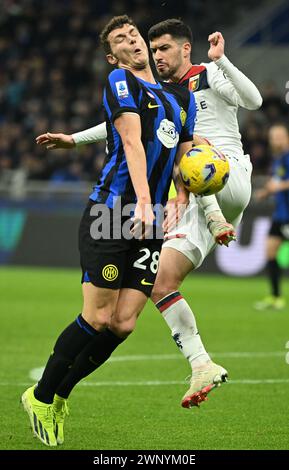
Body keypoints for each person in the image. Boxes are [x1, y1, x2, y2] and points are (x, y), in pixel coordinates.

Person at [37, 20, 263, 409]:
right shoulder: (153, 92)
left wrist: (222, 60)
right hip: (183, 195)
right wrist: (74, 139)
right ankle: (201, 363)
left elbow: (253, 101)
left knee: (192, 157)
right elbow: (126, 126)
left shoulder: (204, 76)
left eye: (162, 48)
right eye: (152, 48)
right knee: (150, 294)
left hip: (222, 173)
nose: (157, 55)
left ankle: (43, 394)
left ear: (185, 48)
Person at [21, 15, 197, 447]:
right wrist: (142, 200)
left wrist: (184, 196)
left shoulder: (179, 97)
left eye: (133, 34)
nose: (132, 41)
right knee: (97, 316)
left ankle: (60, 394)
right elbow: (132, 141)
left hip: (150, 219)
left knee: (122, 324)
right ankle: (40, 396)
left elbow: (185, 156)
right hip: (113, 212)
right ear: (111, 55)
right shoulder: (121, 81)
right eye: (121, 39)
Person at [254, 124, 289, 310]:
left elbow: (282, 183)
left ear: (287, 138)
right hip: (280, 215)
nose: (275, 140)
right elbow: (277, 182)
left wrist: (278, 187)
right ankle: (276, 297)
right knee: (270, 252)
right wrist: (266, 192)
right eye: (272, 136)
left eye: (279, 136)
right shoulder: (278, 159)